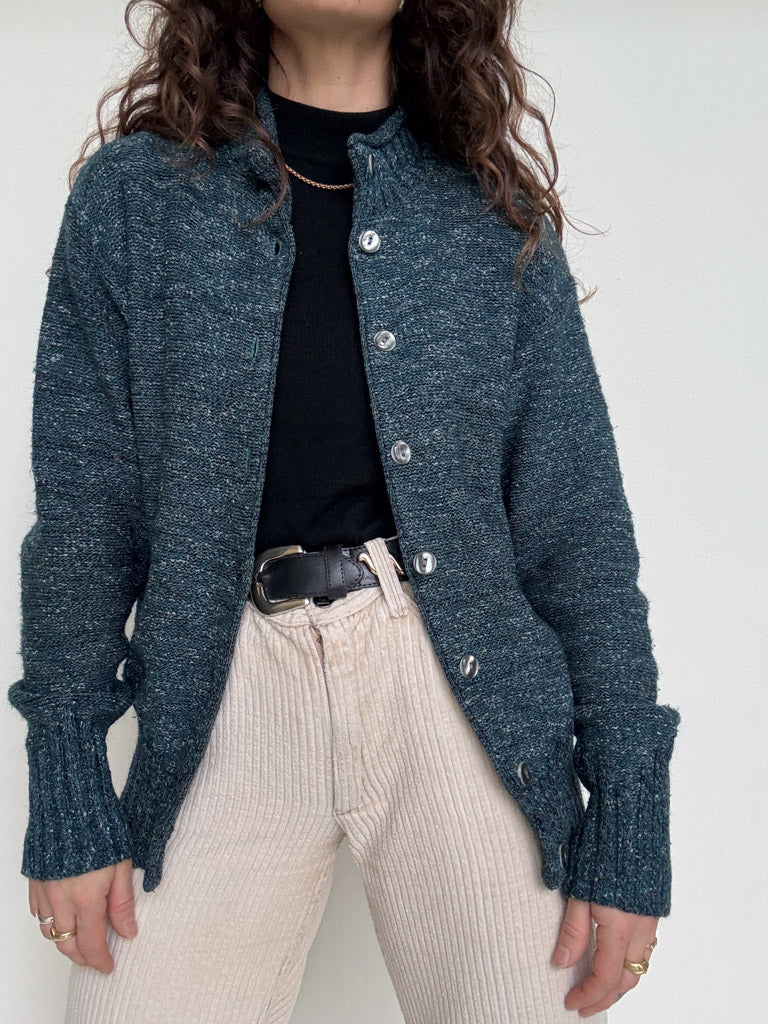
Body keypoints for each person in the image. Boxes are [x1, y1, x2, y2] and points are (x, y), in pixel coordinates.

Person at [8, 1, 681, 1021]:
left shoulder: (492, 216)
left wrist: (629, 810)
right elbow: (84, 516)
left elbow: (578, 533)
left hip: (460, 693)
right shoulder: (136, 199)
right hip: (223, 691)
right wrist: (66, 782)